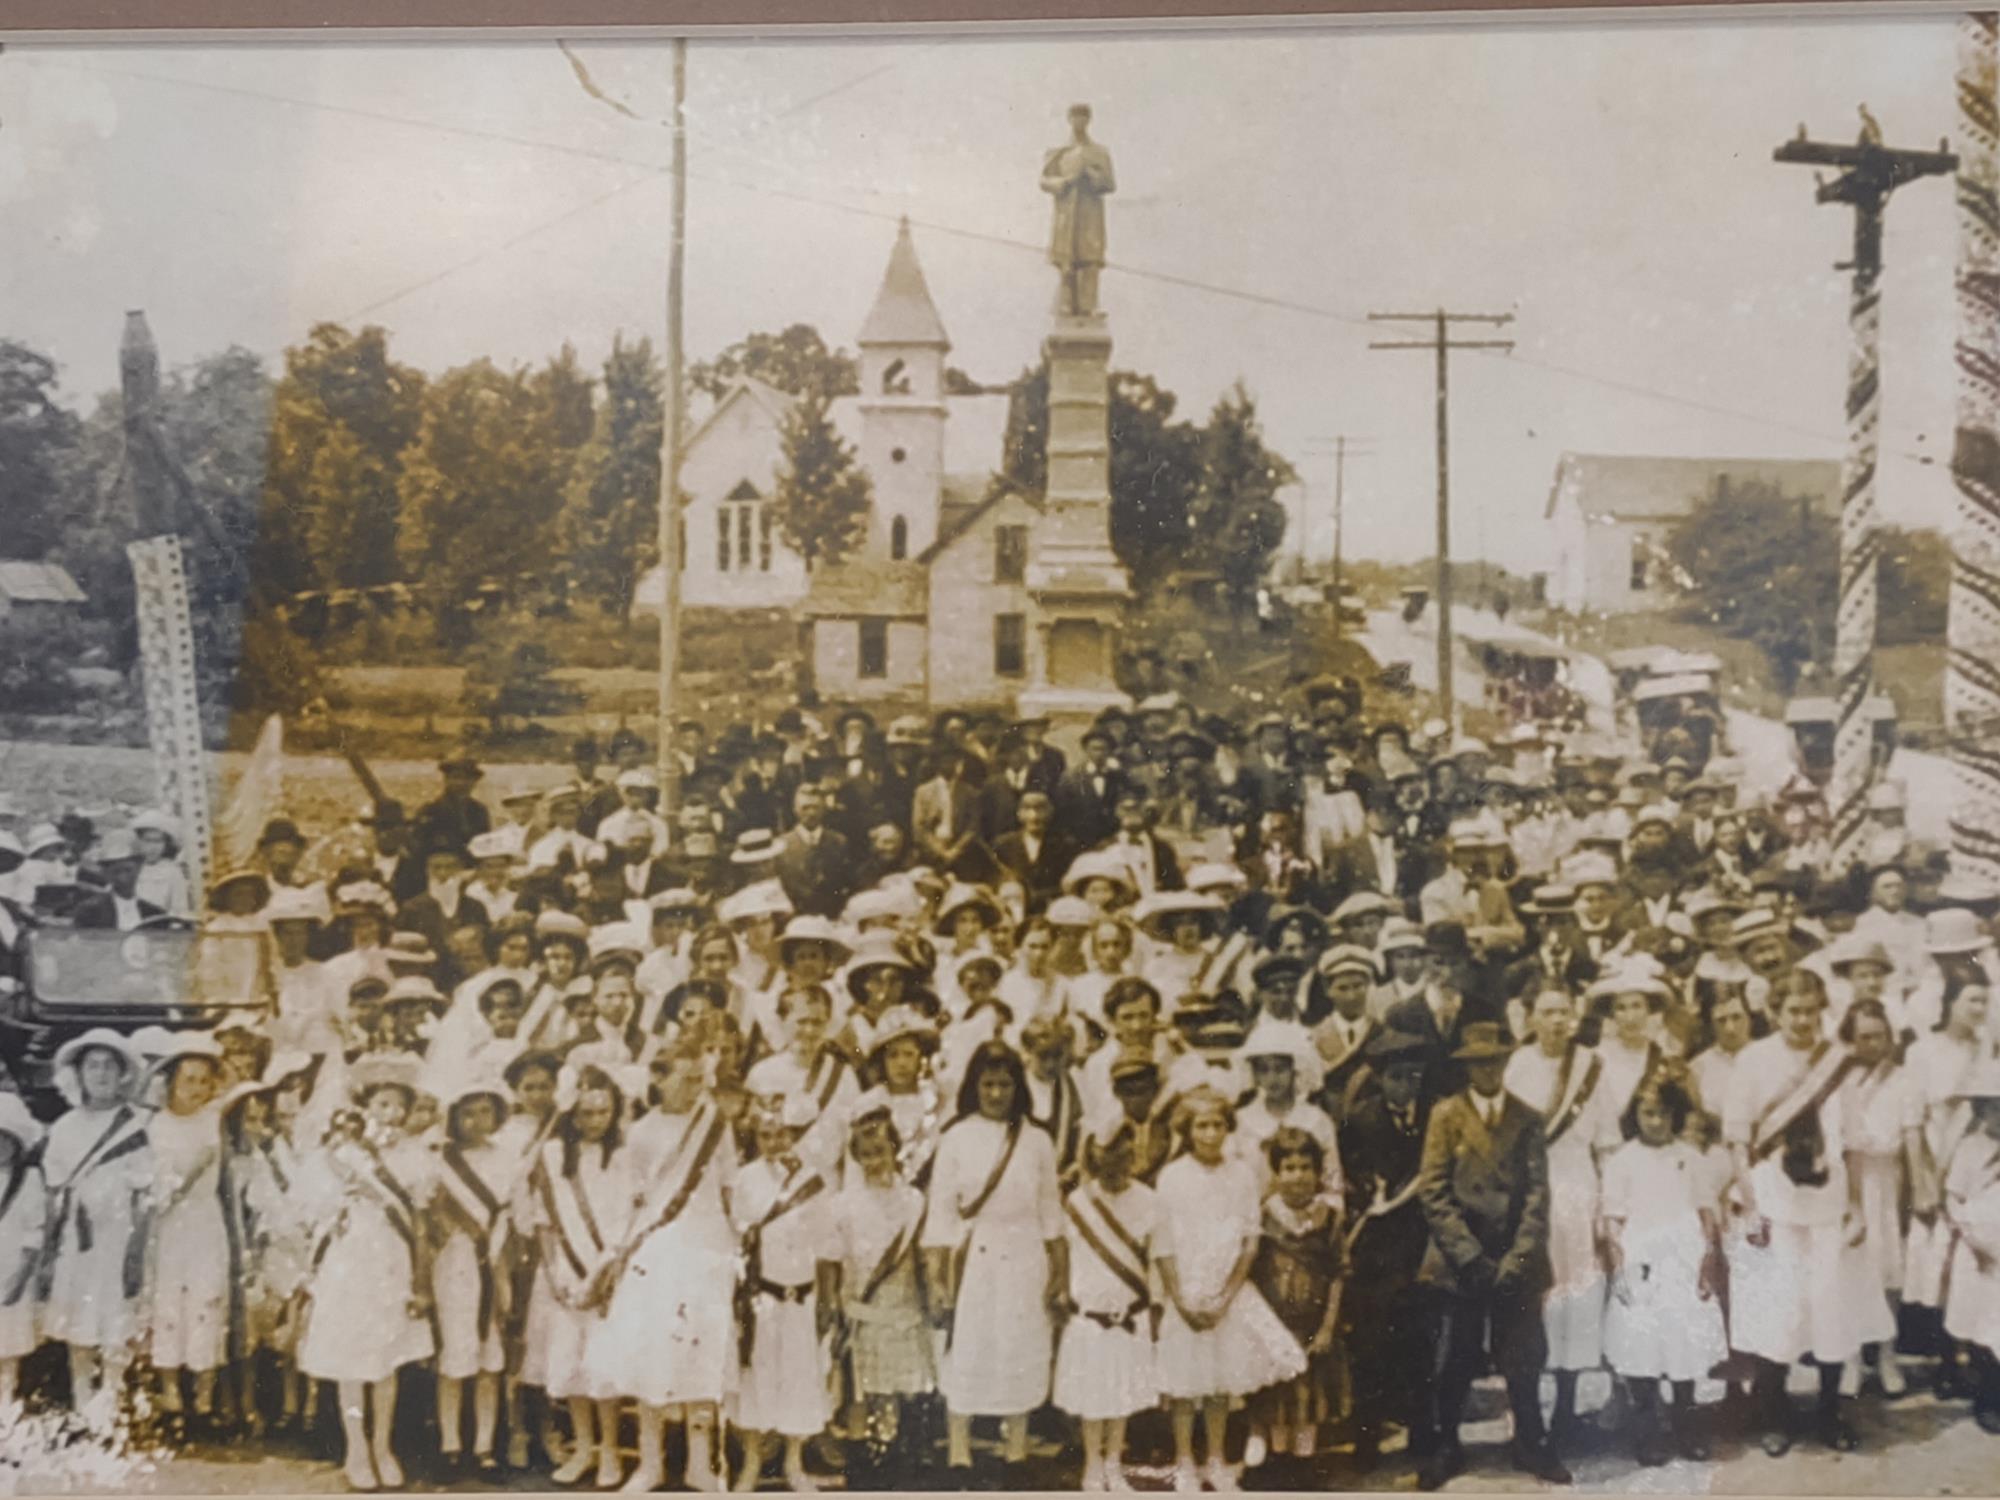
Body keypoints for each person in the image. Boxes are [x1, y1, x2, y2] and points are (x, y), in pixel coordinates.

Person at [1722, 969, 1893, 1455]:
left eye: (1811, 1010)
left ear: (1823, 1011)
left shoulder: (1839, 1063)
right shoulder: (1753, 1061)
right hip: (1775, 1199)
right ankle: (1774, 1413)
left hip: (1829, 1203)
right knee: (1778, 1310)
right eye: (1792, 1010)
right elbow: (1737, 1140)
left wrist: (1858, 1206)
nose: (1802, 1020)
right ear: (1774, 1012)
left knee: (1830, 1309)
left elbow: (1856, 1141)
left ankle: (1829, 1412)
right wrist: (1750, 1203)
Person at [1411, 1022, 1567, 1490]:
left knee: (1523, 1355)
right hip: (1464, 1260)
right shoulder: (1446, 1115)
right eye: (1479, 1061)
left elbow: (1538, 1195)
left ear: (1506, 1063)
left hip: (1514, 1258)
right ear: (1466, 1066)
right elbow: (1433, 1191)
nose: (1488, 1069)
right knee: (1456, 1356)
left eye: (1496, 1059)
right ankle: (1448, 1445)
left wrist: (1518, 1258)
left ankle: (1530, 1442)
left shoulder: (1528, 1117)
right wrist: (1470, 1256)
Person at [590, 1035, 735, 1493]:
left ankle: (698, 1464)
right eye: (686, 1080)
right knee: (650, 1356)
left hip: (708, 1248)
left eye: (700, 1080)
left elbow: (727, 1188)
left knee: (702, 1355)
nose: (695, 1089)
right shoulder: (642, 1133)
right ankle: (650, 1463)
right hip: (656, 1253)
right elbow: (629, 1204)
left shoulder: (716, 1123)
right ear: (660, 1079)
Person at [296, 1053, 438, 1492]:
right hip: (352, 1261)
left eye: (399, 1105)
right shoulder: (343, 1154)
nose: (391, 1114)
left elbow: (419, 1220)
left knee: (385, 1362)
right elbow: (313, 1208)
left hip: (391, 1263)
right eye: (382, 1105)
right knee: (351, 1360)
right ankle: (356, 1448)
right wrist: (340, 1202)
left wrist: (418, 1279)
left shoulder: (416, 1156)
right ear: (365, 1107)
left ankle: (383, 1446)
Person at [1153, 1084, 1306, 1492]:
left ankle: (1216, 1459)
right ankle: (1185, 1460)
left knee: (1219, 1384)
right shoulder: (1172, 1177)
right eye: (1201, 1125)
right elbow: (1162, 1244)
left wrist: (1227, 1295)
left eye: (1217, 1124)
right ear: (1187, 1130)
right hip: (1185, 1290)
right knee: (1185, 1386)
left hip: (1226, 1292)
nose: (1209, 1134)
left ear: (1228, 1127)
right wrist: (1180, 1298)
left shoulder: (1240, 1174)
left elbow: (1250, 1240)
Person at [922, 1040, 1063, 1474]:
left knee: (1020, 1346)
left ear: (1018, 1086)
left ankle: (1016, 1445)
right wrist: (938, 1278)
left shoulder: (1037, 1140)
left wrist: (1058, 1273)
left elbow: (1051, 1213)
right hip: (974, 1256)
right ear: (974, 1086)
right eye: (988, 1084)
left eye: (1005, 1084)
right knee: (969, 1346)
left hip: (1024, 1255)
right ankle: (959, 1448)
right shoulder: (957, 1137)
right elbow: (941, 1214)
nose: (997, 1094)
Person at [1599, 1070, 1728, 1465]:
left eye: (1663, 1113)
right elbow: (1613, 1219)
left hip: (1683, 1258)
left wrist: (1707, 1257)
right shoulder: (1622, 1160)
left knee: (1682, 1343)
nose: (1654, 1121)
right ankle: (1648, 1430)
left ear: (1676, 1114)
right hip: (1641, 1260)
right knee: (1643, 1344)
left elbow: (1706, 1210)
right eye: (1647, 1112)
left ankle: (1686, 1426)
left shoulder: (1690, 1157)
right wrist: (1618, 1267)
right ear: (1636, 1114)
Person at [1501, 985, 1610, 1440]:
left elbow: (1606, 1142)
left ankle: (1567, 1407)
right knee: (1535, 1297)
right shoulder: (1519, 1065)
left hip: (1579, 1187)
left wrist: (1606, 1206)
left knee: (1575, 1294)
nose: (1557, 1021)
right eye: (1547, 1012)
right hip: (1532, 1191)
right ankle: (1530, 1413)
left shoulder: (1591, 1066)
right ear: (1531, 1018)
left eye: (1565, 1011)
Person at [730, 1093, 837, 1493]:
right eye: (766, 1135)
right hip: (762, 1297)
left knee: (799, 1378)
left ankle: (794, 1463)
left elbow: (827, 1246)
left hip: (802, 1297)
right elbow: (739, 1239)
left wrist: (828, 1298)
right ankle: (753, 1463)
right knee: (757, 1378)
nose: (775, 1143)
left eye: (782, 1135)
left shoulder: (814, 1180)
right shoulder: (745, 1179)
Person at [823, 1100, 934, 1486]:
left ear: (895, 1149)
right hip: (861, 1314)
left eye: (880, 1152)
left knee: (900, 1392)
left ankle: (898, 1465)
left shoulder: (914, 1201)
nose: (874, 1161)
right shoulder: (843, 1205)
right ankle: (861, 1468)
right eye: (865, 1154)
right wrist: (835, 1309)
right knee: (861, 1394)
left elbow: (922, 1259)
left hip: (903, 1310)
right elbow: (834, 1262)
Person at [41, 1028, 152, 1413]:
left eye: (109, 1066)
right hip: (77, 1238)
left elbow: (145, 1189)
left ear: (121, 1073)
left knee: (115, 1318)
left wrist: (137, 1245)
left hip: (118, 1236)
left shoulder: (136, 1126)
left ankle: (112, 1401)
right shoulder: (65, 1127)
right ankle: (82, 1401)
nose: (101, 1074)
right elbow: (54, 1188)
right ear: (80, 1073)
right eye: (93, 1066)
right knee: (79, 1318)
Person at [1052, 1110, 1159, 1493]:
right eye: (1105, 1157)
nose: (1114, 1165)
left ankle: (1115, 1461)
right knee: (1092, 1394)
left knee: (1122, 1392)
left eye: (1122, 1156)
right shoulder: (1077, 1202)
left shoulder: (1148, 1199)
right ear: (1093, 1158)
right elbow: (1064, 1254)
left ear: (1132, 1155)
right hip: (1089, 1313)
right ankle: (1093, 1463)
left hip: (1129, 1310)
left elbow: (1154, 1258)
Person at [430, 1073, 520, 1477]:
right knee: (455, 1356)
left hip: (492, 1260)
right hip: (454, 1265)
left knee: (490, 1360)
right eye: (468, 1114)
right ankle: (450, 1444)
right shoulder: (440, 1159)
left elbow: (508, 1218)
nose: (477, 1121)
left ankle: (485, 1446)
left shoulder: (506, 1158)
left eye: (486, 1111)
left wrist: (502, 1274)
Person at [1835, 998, 1921, 1398]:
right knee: (1851, 1268)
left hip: (1889, 1180)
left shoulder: (1903, 1079)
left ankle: (1887, 1354)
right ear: (1850, 1040)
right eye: (1864, 1037)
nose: (1873, 1044)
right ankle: (1851, 1356)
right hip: (1848, 1181)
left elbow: (1911, 1135)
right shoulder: (1838, 1080)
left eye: (1880, 1035)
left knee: (1889, 1268)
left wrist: (1919, 1187)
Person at [144, 1035, 231, 1432]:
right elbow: (158, 1181)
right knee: (169, 1303)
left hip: (203, 1222)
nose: (195, 1088)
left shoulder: (214, 1121)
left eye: (202, 1080)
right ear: (170, 1082)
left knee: (205, 1299)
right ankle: (170, 1394)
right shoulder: (156, 1125)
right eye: (187, 1079)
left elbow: (207, 1166)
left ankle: (204, 1397)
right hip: (168, 1224)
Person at [1248, 1128, 1344, 1464]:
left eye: (1306, 1168)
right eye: (1289, 1168)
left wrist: (1328, 1327)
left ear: (1318, 1173)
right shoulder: (1263, 1217)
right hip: (1274, 1325)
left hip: (1312, 1324)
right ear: (1276, 1173)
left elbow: (1337, 1273)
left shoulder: (1328, 1217)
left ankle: (1304, 1463)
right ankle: (1277, 1460)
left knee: (1308, 1397)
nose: (1298, 1176)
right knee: (1276, 1398)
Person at [1939, 1061, 2000, 1430]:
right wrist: (1972, 1236)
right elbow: (1952, 1198)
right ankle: (1986, 1396)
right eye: (1993, 1107)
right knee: (1978, 1322)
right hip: (1977, 1252)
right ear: (1980, 1110)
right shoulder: (1971, 1148)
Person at [0, 1093, 45, 1408]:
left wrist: (21, 1275)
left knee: (8, 1344)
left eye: (7, 1139)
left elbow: (35, 1232)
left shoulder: (28, 1181)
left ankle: (6, 1407)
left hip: (12, 1268)